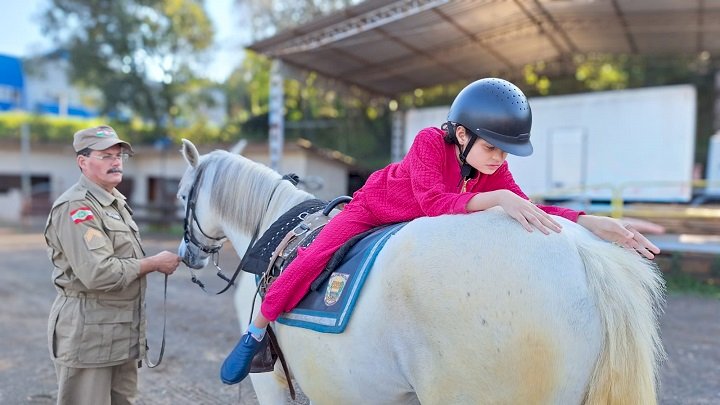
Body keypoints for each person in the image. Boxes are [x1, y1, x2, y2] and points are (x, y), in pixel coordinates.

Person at [219, 78, 661, 384]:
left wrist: (589, 221)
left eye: (506, 153)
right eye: (492, 148)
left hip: (416, 219)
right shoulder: (430, 142)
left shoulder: (490, 168)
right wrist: (497, 200)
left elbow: (529, 206)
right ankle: (257, 330)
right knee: (314, 255)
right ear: (462, 134)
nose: (499, 160)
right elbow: (433, 204)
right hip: (376, 208)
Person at [44, 125, 181, 405]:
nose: (116, 161)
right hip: (89, 337)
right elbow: (98, 273)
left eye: (119, 155)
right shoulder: (76, 207)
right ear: (82, 162)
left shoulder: (114, 202)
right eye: (106, 155)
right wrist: (153, 263)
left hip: (120, 334)